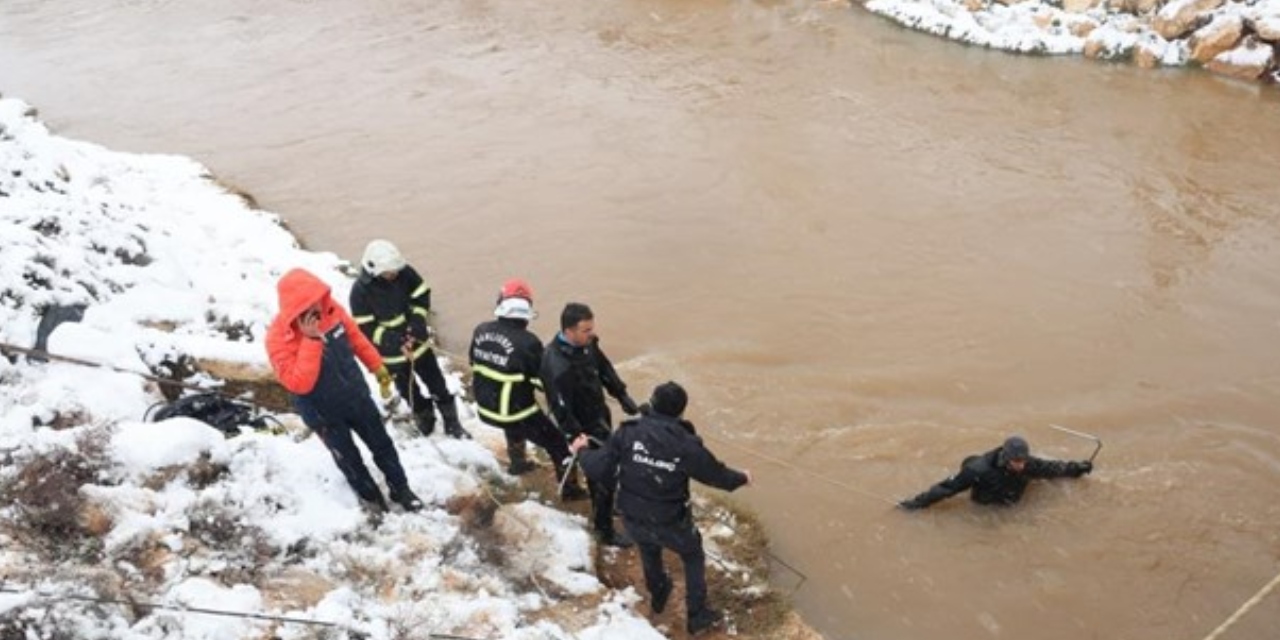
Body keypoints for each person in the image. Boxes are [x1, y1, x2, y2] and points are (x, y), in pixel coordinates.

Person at [571, 381, 750, 636]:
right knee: (692, 555)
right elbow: (717, 475)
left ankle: (658, 592)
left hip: (632, 515)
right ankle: (697, 616)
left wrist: (583, 451)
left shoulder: (627, 432)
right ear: (681, 412)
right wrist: (743, 477)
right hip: (669, 520)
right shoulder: (685, 443)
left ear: (652, 404)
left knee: (648, 547)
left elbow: (598, 468)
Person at [266, 267, 424, 515]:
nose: (317, 309)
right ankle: (371, 498)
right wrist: (311, 340)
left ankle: (401, 488)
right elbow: (299, 384)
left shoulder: (332, 310)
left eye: (318, 300)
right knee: (348, 458)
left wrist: (377, 367)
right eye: (308, 305)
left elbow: (356, 338)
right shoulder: (278, 339)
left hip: (355, 397)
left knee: (382, 445)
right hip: (323, 412)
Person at [468, 278, 587, 499]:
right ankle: (570, 490)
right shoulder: (528, 342)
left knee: (513, 419)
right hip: (513, 412)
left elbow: (474, 362)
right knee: (558, 444)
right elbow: (542, 382)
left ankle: (518, 463)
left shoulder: (481, 330)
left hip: (486, 409)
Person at [540, 302, 640, 547]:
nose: (591, 333)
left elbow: (604, 367)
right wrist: (575, 436)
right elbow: (560, 407)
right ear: (569, 330)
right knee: (602, 474)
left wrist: (621, 394)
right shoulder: (556, 364)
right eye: (586, 330)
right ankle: (604, 530)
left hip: (599, 416)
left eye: (591, 328)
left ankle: (606, 503)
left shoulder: (587, 344)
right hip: (582, 428)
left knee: (611, 466)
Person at [349, 240, 469, 439]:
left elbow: (421, 295)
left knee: (437, 384)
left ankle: (452, 423)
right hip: (392, 355)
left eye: (395, 271)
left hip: (418, 343)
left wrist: (418, 322)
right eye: (389, 273)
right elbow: (367, 329)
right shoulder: (360, 293)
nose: (394, 275)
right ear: (373, 270)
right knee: (408, 389)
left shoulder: (405, 273)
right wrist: (395, 341)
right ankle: (425, 417)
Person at [897, 435, 1093, 510]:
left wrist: (1077, 468)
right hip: (986, 507)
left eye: (1023, 461)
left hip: (1012, 502)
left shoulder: (1028, 463)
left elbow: (1053, 469)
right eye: (1017, 462)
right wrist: (914, 504)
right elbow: (945, 489)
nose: (1021, 466)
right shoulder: (978, 470)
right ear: (1006, 458)